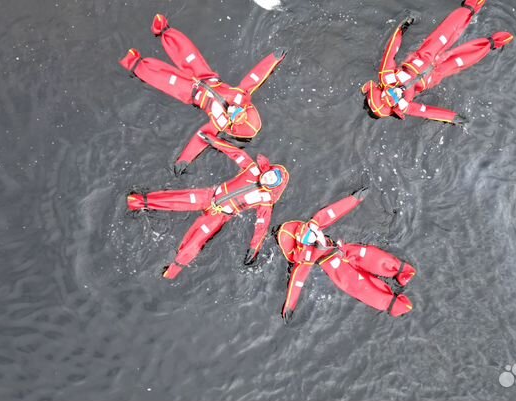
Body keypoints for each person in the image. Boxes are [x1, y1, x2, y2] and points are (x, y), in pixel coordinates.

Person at [120, 14, 286, 174]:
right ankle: (164, 31)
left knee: (165, 79)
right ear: (245, 108)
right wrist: (273, 59)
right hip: (206, 77)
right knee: (187, 53)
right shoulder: (242, 95)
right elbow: (256, 76)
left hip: (191, 93)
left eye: (234, 116)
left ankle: (134, 63)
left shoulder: (218, 124)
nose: (233, 111)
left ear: (232, 125)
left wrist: (184, 159)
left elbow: (200, 139)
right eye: (239, 111)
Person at [127, 136, 289, 279]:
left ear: (273, 186)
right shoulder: (251, 168)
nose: (268, 177)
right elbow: (235, 153)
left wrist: (254, 248)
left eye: (273, 180)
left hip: (218, 215)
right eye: (271, 173)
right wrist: (214, 141)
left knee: (196, 241)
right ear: (269, 169)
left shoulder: (265, 200)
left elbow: (262, 226)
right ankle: (137, 201)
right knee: (177, 199)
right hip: (209, 196)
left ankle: (173, 270)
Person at [361, 0, 514, 125]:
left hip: (424, 56)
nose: (393, 96)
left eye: (387, 96)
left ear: (381, 90)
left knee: (447, 31)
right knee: (462, 59)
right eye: (390, 102)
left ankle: (471, 6)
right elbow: (427, 111)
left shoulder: (386, 77)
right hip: (434, 75)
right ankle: (495, 41)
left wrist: (402, 29)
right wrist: (452, 117)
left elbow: (391, 52)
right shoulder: (404, 106)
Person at [276, 189, 416, 321]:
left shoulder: (316, 225)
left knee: (370, 255)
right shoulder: (306, 260)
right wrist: (289, 306)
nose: (314, 235)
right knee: (362, 287)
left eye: (310, 232)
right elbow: (297, 282)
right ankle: (392, 304)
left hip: (345, 250)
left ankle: (402, 270)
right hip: (336, 267)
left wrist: (355, 199)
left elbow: (333, 212)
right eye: (307, 238)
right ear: (302, 244)